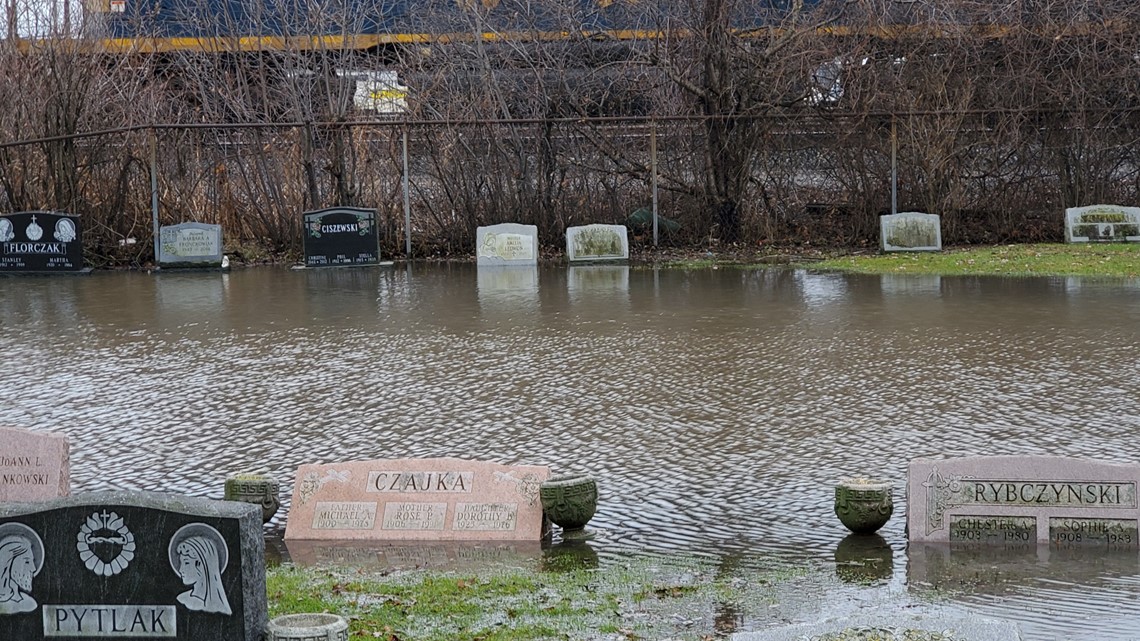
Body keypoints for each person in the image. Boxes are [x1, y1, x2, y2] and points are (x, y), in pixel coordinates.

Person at [175, 536, 231, 614]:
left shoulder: (220, 607)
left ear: (201, 565)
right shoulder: (182, 598)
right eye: (181, 563)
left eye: (186, 563)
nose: (181, 570)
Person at [0, 535, 36, 614]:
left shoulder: (29, 601)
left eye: (32, 561)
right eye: (27, 562)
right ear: (8, 562)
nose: (33, 568)